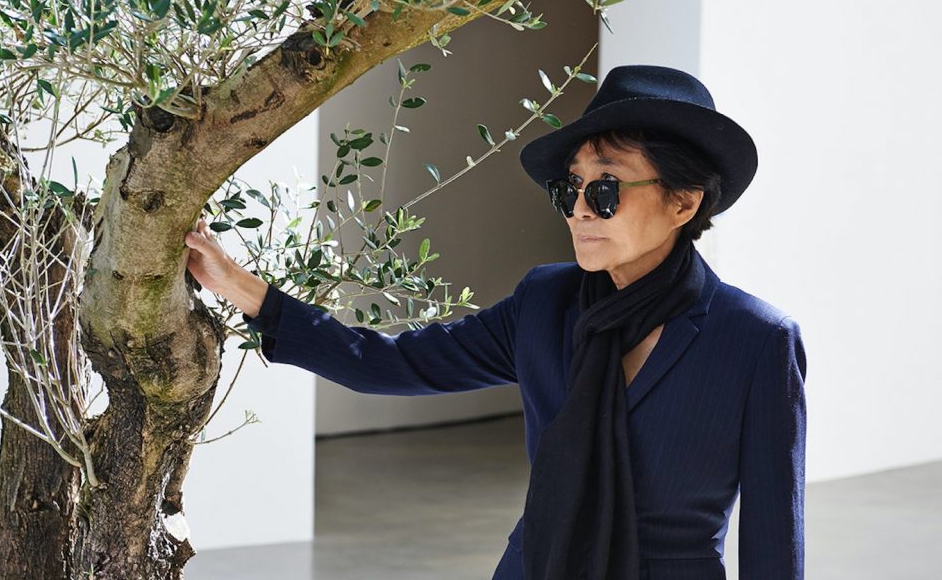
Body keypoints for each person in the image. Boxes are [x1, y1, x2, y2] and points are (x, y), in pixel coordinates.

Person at [184, 64, 807, 580]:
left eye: (607, 190)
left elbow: (773, 544)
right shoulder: (546, 303)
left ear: (684, 202)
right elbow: (386, 364)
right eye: (571, 190)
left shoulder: (756, 342)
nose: (581, 211)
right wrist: (236, 284)